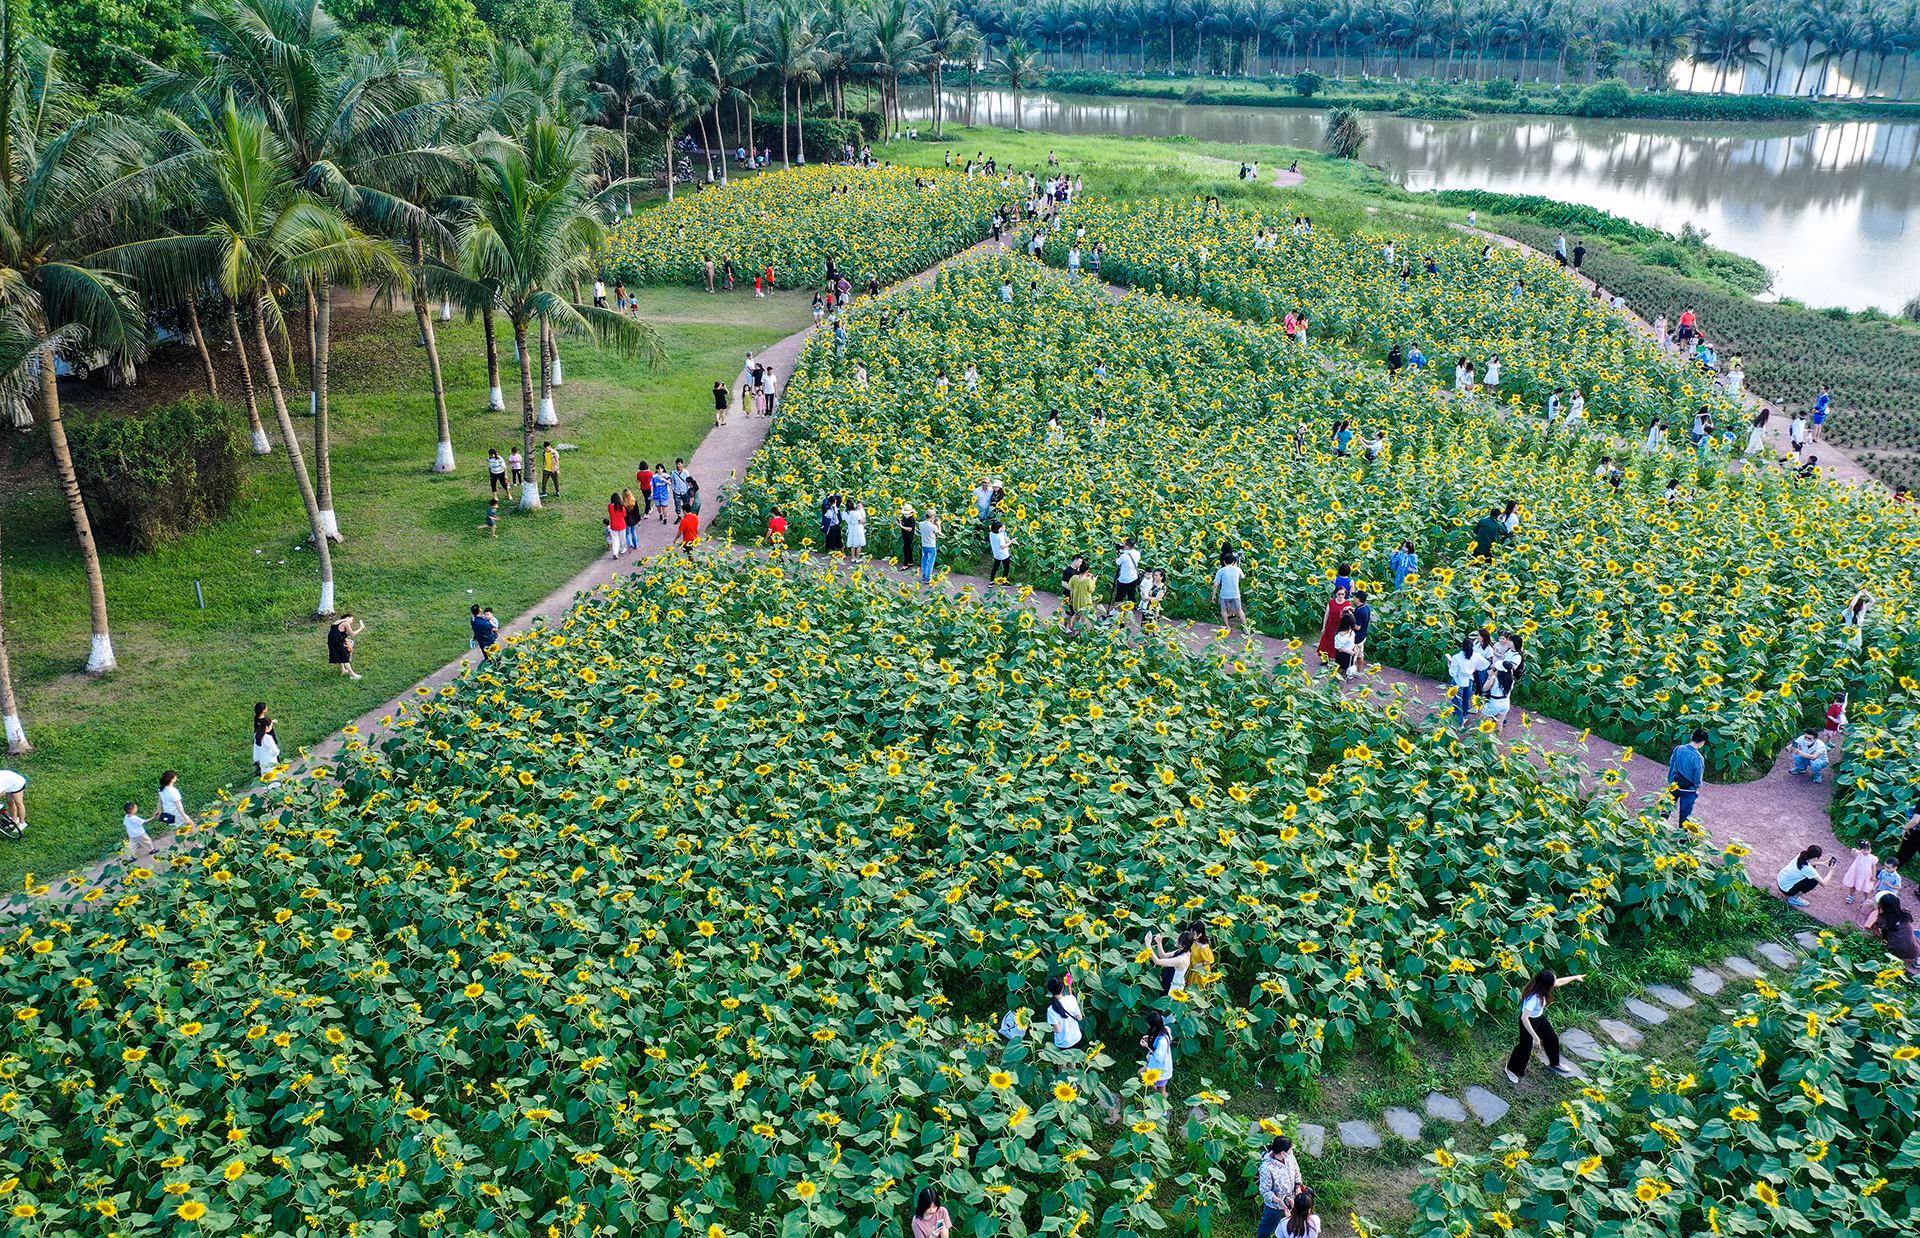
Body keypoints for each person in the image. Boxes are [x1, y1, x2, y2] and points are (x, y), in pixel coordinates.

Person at [1504, 967, 1585, 1083]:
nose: (1555, 983)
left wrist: (1575, 977)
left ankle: (1555, 1062)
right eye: (1553, 981)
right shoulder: (1534, 998)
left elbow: (1559, 982)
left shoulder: (1540, 986)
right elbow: (1524, 1017)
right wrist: (1535, 1037)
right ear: (1546, 985)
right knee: (1525, 1048)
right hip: (1528, 1022)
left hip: (1539, 1018)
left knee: (1551, 1038)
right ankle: (1511, 1069)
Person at [1254, 1138, 1303, 1238]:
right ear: (1282, 1153)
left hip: (1292, 1200)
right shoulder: (1266, 1168)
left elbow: (1297, 1173)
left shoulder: (1291, 1158)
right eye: (1290, 1150)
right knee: (1267, 1224)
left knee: (1292, 1223)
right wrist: (1279, 1201)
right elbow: (1265, 1191)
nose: (1292, 1151)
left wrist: (1298, 1187)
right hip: (1274, 1206)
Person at [1865, 892, 1920, 970]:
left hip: (1894, 952)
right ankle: (1917, 959)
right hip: (1914, 951)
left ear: (1880, 906)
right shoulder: (1905, 914)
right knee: (1914, 935)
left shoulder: (1882, 920)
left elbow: (1869, 927)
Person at [1666, 728, 1707, 825]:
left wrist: (1670, 780)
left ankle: (1658, 832)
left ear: (1692, 737)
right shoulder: (1698, 758)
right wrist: (1697, 788)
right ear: (1702, 743)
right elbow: (1698, 775)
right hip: (1688, 789)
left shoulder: (1679, 749)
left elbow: (1672, 763)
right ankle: (1682, 839)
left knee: (1666, 809)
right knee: (1685, 816)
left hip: (1674, 785)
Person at [1447, 636, 1483, 726]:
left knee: (1457, 700)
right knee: (1466, 698)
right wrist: (1475, 669)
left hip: (1458, 681)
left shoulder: (1457, 657)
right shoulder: (1476, 656)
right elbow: (1485, 664)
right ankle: (1465, 715)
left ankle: (1459, 721)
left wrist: (1449, 665)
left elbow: (1452, 673)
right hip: (1469, 679)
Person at [1147, 930, 1193, 994]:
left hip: (1172, 987)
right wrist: (1159, 942)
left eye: (1178, 939)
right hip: (1170, 980)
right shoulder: (1184, 951)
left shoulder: (1180, 960)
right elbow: (1163, 956)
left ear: (1184, 944)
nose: (1176, 940)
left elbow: (1157, 961)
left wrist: (1148, 945)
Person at [1316, 586, 1351, 668]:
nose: (1341, 596)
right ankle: (1325, 659)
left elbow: (1349, 618)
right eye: (1339, 594)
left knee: (1337, 643)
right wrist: (1323, 627)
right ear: (1336, 594)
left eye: (1343, 594)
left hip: (1340, 627)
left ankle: (1335, 660)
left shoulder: (1347, 604)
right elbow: (1327, 615)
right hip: (1330, 626)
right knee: (1327, 642)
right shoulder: (1331, 602)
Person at [1045, 974, 1083, 1049]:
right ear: (1062, 988)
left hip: (1063, 1043)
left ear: (1050, 990)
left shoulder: (1051, 1010)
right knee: (1077, 1058)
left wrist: (1049, 1028)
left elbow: (1057, 1029)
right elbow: (1080, 1018)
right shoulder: (1071, 999)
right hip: (1076, 1038)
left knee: (1066, 1060)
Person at [1212, 553, 1247, 633]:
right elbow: (1243, 577)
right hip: (1235, 594)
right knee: (1239, 610)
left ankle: (1228, 627)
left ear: (1224, 562)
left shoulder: (1221, 571)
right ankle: (1246, 627)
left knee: (1223, 610)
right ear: (1233, 562)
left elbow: (1215, 585)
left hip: (1224, 594)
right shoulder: (1238, 570)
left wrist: (1214, 595)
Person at [1140, 1012, 1173, 1091]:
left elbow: (1159, 1057)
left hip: (1160, 1069)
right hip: (1159, 1067)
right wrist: (1150, 1038)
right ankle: (1158, 1095)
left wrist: (1147, 1046)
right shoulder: (1165, 1030)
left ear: (1154, 1026)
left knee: (1161, 1090)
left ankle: (1161, 1099)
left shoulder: (1162, 1041)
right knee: (1141, 1073)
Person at [328, 614, 364, 680]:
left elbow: (339, 634)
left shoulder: (337, 622)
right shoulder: (345, 623)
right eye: (352, 619)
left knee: (340, 655)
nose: (352, 622)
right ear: (347, 617)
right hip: (337, 642)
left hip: (332, 641)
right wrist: (361, 628)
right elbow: (352, 634)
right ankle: (352, 675)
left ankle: (343, 670)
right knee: (344, 657)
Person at [1112, 538, 1142, 612]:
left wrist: (1117, 554)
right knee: (1131, 596)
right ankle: (1130, 612)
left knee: (1119, 597)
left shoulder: (1124, 556)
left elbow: (1117, 563)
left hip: (1124, 579)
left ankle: (1116, 611)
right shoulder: (1137, 553)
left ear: (1127, 546)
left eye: (1124, 544)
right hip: (1134, 578)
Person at [252, 704, 280, 776]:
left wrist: (272, 721)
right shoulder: (268, 737)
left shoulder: (257, 721)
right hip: (270, 752)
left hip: (263, 758)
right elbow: (275, 752)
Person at [916, 508, 942, 584]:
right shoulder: (933, 527)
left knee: (924, 561)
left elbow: (927, 527)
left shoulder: (921, 524)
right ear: (931, 516)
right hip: (931, 546)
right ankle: (928, 578)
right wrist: (938, 524)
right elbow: (939, 533)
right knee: (930, 562)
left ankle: (924, 576)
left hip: (924, 545)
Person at [987, 520, 1013, 584]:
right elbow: (1002, 546)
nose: (1004, 528)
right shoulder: (999, 536)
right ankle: (1004, 582)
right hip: (1004, 554)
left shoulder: (991, 533)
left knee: (995, 567)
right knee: (1006, 568)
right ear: (999, 529)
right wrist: (1011, 542)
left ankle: (991, 581)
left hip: (996, 554)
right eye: (1002, 527)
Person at [0, 768, 25, 833]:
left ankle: (22, 823)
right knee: (10, 802)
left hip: (17, 784)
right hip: (9, 785)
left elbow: (3, 792)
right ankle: (14, 819)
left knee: (19, 803)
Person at [898, 505, 917, 569]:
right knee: (909, 549)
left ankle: (906, 564)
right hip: (905, 536)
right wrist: (900, 522)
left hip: (909, 536)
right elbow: (903, 523)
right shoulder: (905, 518)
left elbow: (909, 529)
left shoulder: (911, 519)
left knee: (906, 549)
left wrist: (901, 526)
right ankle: (910, 562)